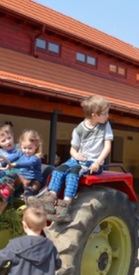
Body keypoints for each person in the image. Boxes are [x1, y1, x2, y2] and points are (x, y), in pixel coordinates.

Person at [30, 95, 113, 223]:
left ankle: (65, 207)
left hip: (93, 162)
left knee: (73, 172)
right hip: (78, 160)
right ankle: (50, 198)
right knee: (59, 169)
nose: (108, 115)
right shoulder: (79, 129)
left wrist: (97, 162)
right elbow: (73, 150)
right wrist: (76, 154)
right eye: (105, 113)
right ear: (94, 115)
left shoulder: (105, 125)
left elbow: (107, 147)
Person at [10, 130, 44, 200]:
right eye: (24, 148)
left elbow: (29, 163)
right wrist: (0, 163)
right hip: (22, 180)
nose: (27, 151)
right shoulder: (20, 153)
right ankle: (6, 191)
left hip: (33, 181)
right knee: (13, 175)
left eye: (30, 148)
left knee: (29, 192)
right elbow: (10, 158)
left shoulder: (36, 157)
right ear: (21, 146)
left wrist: (16, 164)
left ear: (36, 146)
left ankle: (29, 200)